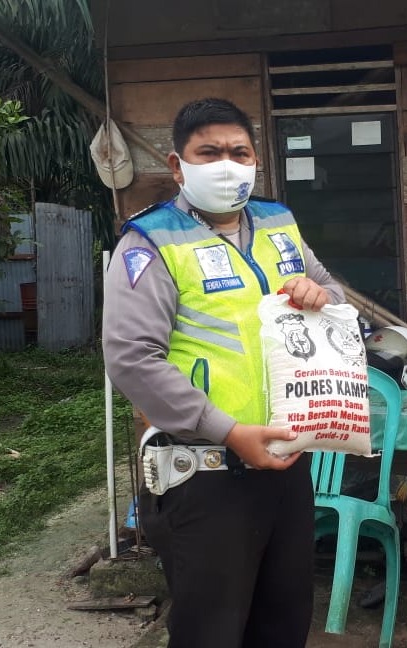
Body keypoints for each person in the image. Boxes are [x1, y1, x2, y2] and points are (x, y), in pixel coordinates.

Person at [102, 97, 345, 648]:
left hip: (287, 463)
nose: (227, 164)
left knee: (283, 626)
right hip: (206, 472)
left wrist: (318, 292)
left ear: (256, 159)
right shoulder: (150, 241)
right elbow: (131, 357)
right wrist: (230, 431)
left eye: (239, 152)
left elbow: (333, 291)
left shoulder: (279, 222)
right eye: (208, 152)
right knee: (210, 632)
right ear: (176, 164)